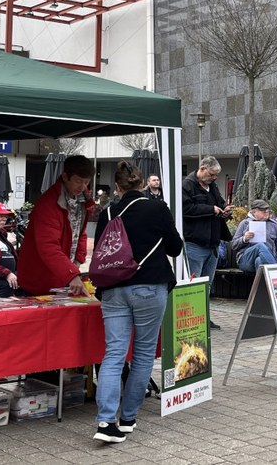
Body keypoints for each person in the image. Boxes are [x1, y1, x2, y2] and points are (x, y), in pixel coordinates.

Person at [92, 161, 183, 443]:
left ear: (117, 188)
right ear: (143, 184)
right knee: (142, 355)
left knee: (113, 354)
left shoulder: (108, 211)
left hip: (114, 290)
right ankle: (128, 418)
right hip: (149, 287)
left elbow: (99, 252)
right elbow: (176, 248)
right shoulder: (157, 208)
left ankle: (105, 422)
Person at [17, 155, 95, 296]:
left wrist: (78, 259)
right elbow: (48, 246)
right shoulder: (48, 204)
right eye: (78, 181)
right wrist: (71, 273)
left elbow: (79, 231)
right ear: (65, 177)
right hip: (40, 280)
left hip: (62, 277)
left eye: (86, 182)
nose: (82, 187)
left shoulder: (83, 200)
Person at [182, 156, 233, 330]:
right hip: (194, 243)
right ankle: (190, 319)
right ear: (202, 169)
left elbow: (219, 204)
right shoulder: (187, 185)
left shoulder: (213, 187)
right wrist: (210, 209)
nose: (214, 178)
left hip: (212, 244)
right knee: (193, 285)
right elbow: (185, 209)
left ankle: (203, 318)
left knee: (206, 285)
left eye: (216, 175)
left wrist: (225, 211)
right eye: (211, 174)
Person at [231, 199, 277, 273]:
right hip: (246, 261)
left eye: (267, 210)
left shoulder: (273, 226)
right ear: (254, 212)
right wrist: (244, 239)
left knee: (259, 261)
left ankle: (262, 284)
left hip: (265, 260)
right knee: (260, 246)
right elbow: (233, 245)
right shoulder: (244, 223)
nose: (266, 212)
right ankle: (275, 272)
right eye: (263, 210)